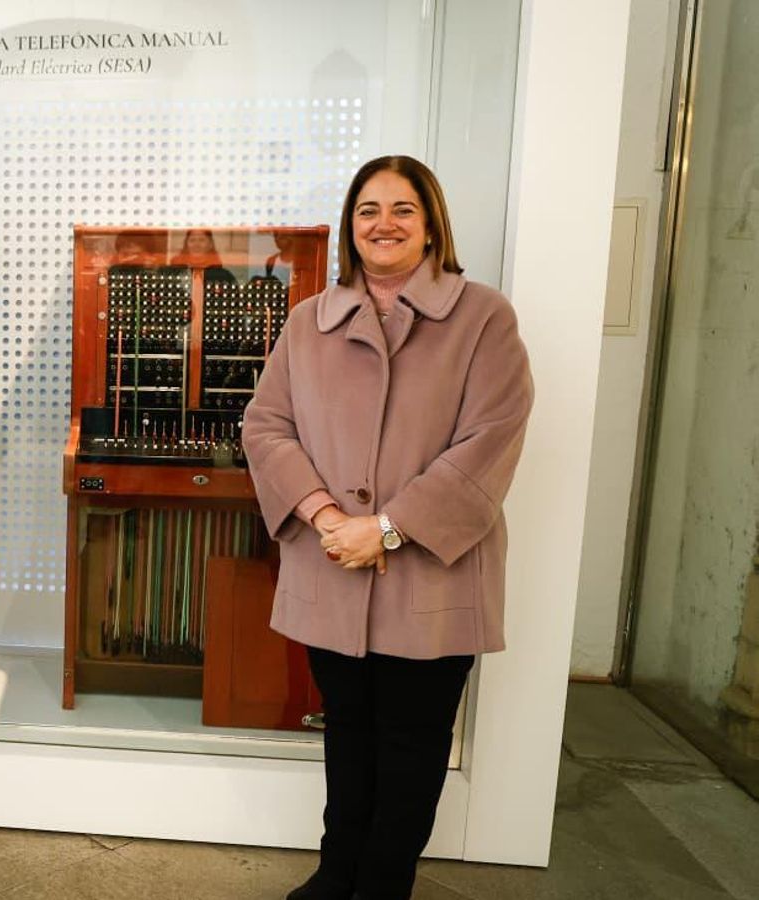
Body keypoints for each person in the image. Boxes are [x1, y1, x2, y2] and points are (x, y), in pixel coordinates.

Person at [241, 155, 534, 900]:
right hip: (333, 564)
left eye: (403, 209)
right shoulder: (309, 321)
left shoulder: (484, 318)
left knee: (411, 746)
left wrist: (390, 527)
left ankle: (382, 885)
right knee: (347, 732)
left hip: (431, 573)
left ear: (432, 225)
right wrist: (327, 515)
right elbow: (266, 426)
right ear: (351, 227)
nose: (384, 224)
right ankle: (336, 872)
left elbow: (492, 438)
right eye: (368, 210)